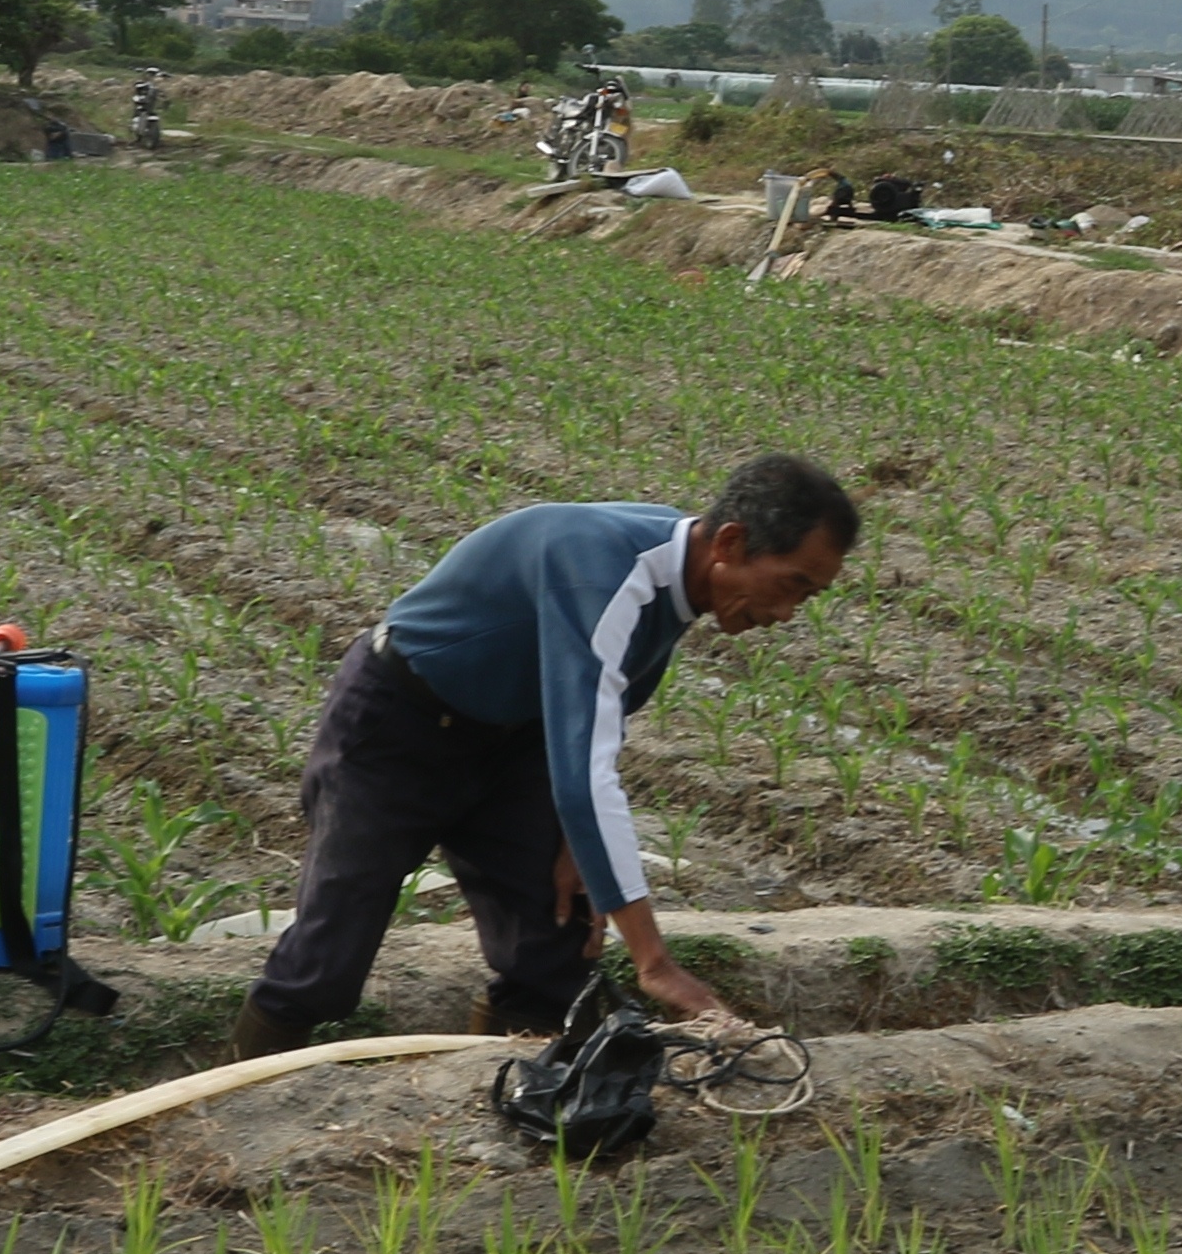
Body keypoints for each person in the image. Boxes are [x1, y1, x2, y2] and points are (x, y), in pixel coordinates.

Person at [226, 452, 858, 1057]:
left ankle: (500, 1102)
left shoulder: (680, 572)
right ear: (730, 544)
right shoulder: (607, 572)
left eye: (806, 598)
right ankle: (242, 1104)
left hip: (515, 741)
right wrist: (655, 963)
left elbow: (598, 716)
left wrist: (574, 841)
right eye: (790, 585)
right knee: (325, 964)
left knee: (554, 956)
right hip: (398, 727)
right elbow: (587, 776)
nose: (785, 613)